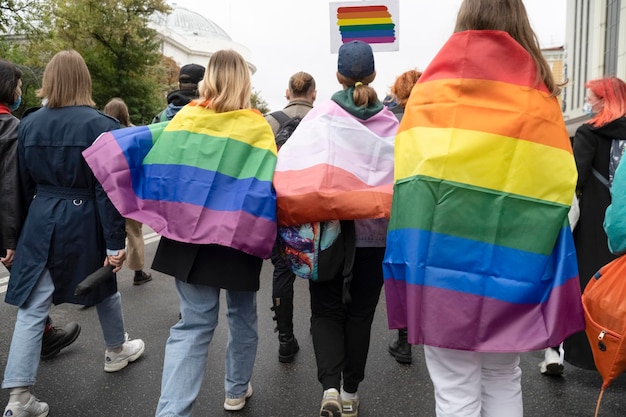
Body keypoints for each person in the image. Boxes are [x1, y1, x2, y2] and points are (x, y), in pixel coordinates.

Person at [383, 1, 585, 416]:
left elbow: (408, 182)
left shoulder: (428, 95)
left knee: (455, 386)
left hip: (439, 263)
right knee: (503, 374)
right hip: (514, 261)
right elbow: (557, 187)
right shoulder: (539, 98)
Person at [83, 49, 277, 415]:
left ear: (209, 79)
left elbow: (156, 156)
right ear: (244, 82)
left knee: (193, 325)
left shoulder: (186, 118)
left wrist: (107, 152)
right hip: (237, 237)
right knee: (242, 315)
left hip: (188, 236)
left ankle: (172, 412)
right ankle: (235, 391)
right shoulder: (257, 126)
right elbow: (266, 186)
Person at [2, 50, 145, 417]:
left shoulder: (29, 124)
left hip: (40, 216)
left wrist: (12, 238)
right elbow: (107, 191)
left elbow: (18, 184)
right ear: (84, 80)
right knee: (102, 281)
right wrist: (115, 243)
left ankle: (18, 398)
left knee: (33, 306)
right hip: (83, 219)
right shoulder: (102, 126)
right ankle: (115, 349)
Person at [273, 40, 397, 417]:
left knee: (325, 312)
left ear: (339, 75)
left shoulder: (322, 117)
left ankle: (329, 387)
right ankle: (350, 392)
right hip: (375, 237)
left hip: (327, 233)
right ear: (373, 75)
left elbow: (290, 165)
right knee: (360, 314)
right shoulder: (391, 122)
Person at [0, 59, 82, 362]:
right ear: (8, 88)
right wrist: (10, 239)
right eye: (19, 85)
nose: (21, 90)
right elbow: (11, 186)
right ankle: (43, 338)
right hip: (7, 225)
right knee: (32, 288)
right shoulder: (11, 129)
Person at [562, 76, 626, 371]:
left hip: (596, 221)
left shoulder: (590, 132)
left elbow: (577, 176)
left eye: (593, 98)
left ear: (606, 101)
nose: (589, 103)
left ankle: (593, 353)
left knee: (592, 287)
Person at [265, 71, 316, 363]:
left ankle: (285, 338)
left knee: (282, 271)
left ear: (287, 92)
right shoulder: (322, 118)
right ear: (313, 93)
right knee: (318, 271)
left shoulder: (269, 122)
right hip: (314, 209)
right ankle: (318, 326)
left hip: (279, 206)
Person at [385, 68, 421, 365]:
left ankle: (403, 339)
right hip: (426, 208)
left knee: (397, 270)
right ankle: (418, 336)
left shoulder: (389, 118)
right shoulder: (436, 119)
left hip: (391, 203)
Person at [103, 98, 152, 285]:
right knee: (134, 232)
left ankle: (104, 270)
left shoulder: (101, 135)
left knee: (105, 231)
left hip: (107, 191)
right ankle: (139, 273)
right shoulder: (135, 134)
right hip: (131, 191)